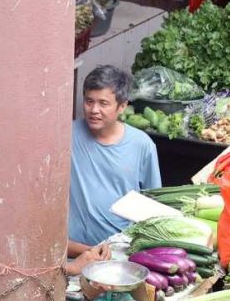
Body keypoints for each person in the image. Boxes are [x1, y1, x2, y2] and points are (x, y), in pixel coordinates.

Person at [68, 66, 162, 256]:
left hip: (121, 253)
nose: (94, 110)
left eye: (103, 103)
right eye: (89, 101)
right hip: (73, 253)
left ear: (122, 106)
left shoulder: (142, 145)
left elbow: (153, 204)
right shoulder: (67, 136)